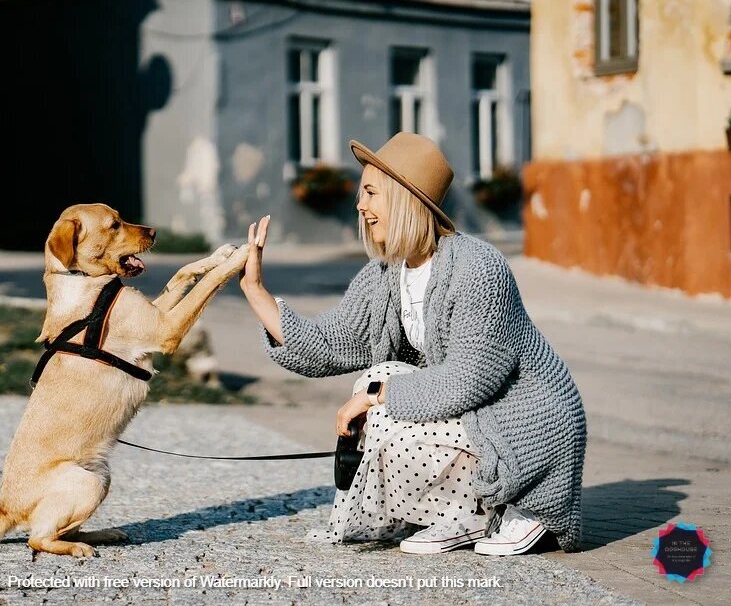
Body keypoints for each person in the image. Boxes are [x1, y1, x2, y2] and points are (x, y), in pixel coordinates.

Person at [238, 133, 586, 555]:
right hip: (476, 417)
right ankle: (459, 513)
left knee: (381, 397)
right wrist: (256, 291)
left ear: (404, 198)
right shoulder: (387, 273)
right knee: (379, 378)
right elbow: (331, 342)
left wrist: (374, 398)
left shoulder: (478, 268)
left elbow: (469, 380)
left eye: (370, 193)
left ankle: (501, 508)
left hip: (526, 424)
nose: (360, 206)